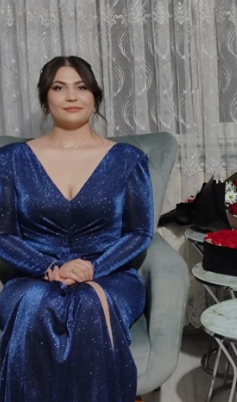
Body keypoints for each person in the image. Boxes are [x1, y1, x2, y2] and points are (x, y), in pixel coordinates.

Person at [0, 56, 153, 401]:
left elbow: (140, 233)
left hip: (110, 275)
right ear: (45, 98)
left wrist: (93, 268)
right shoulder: (10, 160)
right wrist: (48, 266)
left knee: (88, 302)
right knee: (36, 303)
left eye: (81, 87)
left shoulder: (128, 159)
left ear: (95, 97)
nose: (71, 96)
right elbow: (3, 234)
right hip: (34, 276)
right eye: (59, 87)